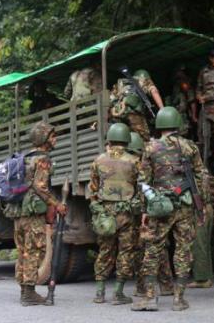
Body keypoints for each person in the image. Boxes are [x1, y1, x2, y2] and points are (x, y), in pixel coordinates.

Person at [132, 107, 205, 312]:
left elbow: (143, 182)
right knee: (183, 250)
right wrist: (203, 205)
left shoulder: (150, 148)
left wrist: (146, 208)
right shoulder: (190, 147)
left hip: (160, 207)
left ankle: (149, 297)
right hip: (185, 206)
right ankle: (178, 299)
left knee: (153, 249)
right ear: (177, 124)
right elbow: (201, 177)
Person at [2, 121, 67, 306]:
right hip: (32, 215)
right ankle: (29, 293)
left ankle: (25, 290)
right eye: (53, 136)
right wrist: (57, 204)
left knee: (23, 251)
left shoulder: (24, 158)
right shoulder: (43, 159)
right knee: (34, 251)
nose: (56, 139)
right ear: (44, 139)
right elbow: (40, 187)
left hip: (19, 212)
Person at [89, 123, 139, 305]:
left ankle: (99, 293)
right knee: (126, 251)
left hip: (105, 215)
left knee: (104, 251)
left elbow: (93, 189)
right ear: (127, 138)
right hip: (126, 214)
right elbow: (140, 187)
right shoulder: (134, 161)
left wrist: (98, 208)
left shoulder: (98, 160)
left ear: (109, 138)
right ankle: (118, 293)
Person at [127, 132, 174, 298]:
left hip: (137, 211)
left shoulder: (131, 163)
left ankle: (141, 288)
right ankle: (167, 285)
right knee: (160, 247)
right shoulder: (146, 163)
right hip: (150, 208)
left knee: (142, 249)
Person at [110, 69, 164, 141]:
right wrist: (163, 109)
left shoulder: (122, 83)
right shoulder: (143, 80)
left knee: (123, 139)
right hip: (133, 114)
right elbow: (154, 91)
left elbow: (110, 100)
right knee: (143, 139)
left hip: (117, 115)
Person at [166, 65, 197, 137]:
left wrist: (193, 115)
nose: (178, 74)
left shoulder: (186, 84)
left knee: (183, 132)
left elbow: (192, 101)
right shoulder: (174, 84)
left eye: (180, 72)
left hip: (182, 113)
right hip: (173, 112)